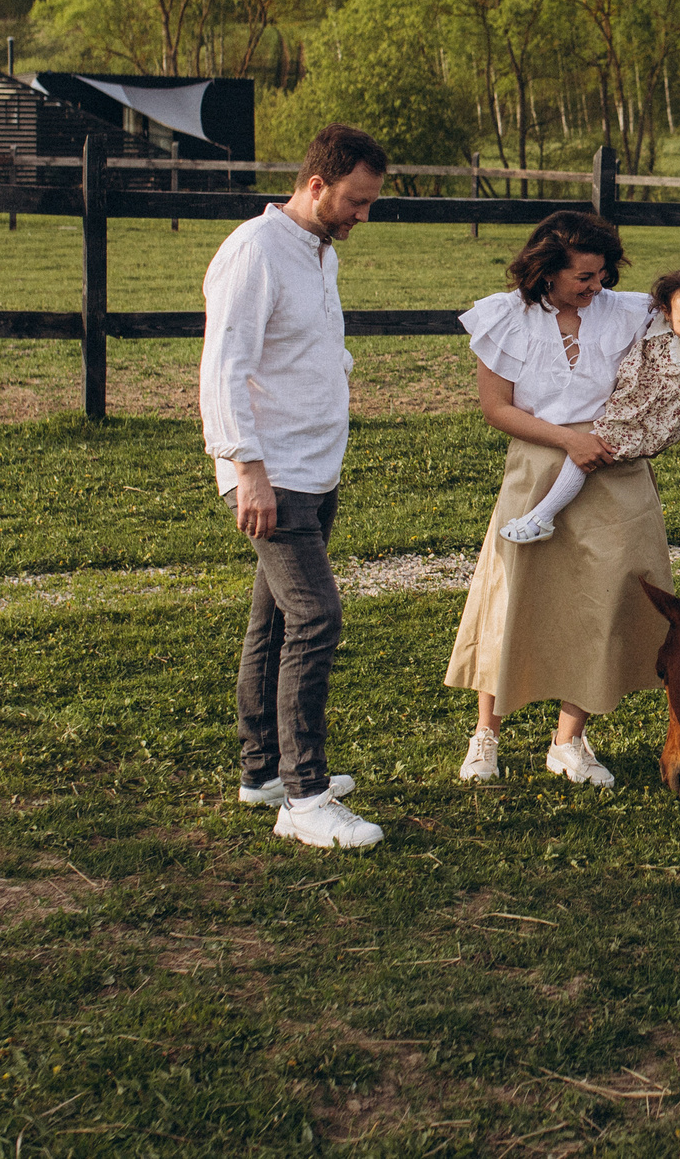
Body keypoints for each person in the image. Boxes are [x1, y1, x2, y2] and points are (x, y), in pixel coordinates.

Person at [201, 122, 388, 851]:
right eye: (355, 200)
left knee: (276, 620)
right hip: (270, 473)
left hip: (314, 467)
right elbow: (223, 367)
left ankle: (263, 772)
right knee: (317, 617)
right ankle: (305, 795)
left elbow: (301, 342)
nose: (362, 216)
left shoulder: (317, 250)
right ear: (317, 185)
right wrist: (246, 467)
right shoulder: (253, 251)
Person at [444, 211, 673, 789]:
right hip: (540, 465)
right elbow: (497, 408)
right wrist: (569, 439)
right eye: (583, 278)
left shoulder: (630, 313)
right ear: (546, 272)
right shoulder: (506, 317)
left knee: (611, 598)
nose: (597, 287)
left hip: (616, 472)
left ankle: (569, 739)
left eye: (602, 276)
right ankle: (486, 736)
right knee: (514, 595)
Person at [500, 264, 680, 544]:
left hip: (646, 421)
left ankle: (542, 517)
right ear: (666, 311)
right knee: (589, 450)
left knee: (589, 454)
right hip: (626, 406)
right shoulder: (659, 323)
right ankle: (542, 517)